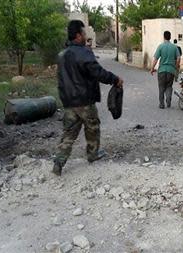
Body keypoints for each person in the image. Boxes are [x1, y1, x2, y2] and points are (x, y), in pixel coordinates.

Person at [53, 20, 124, 176]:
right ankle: (92, 154)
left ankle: (58, 162)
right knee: (92, 128)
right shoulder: (84, 53)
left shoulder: (62, 55)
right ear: (78, 35)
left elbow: (60, 80)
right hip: (84, 100)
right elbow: (97, 72)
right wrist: (115, 79)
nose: (85, 36)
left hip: (69, 101)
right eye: (84, 33)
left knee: (69, 132)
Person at [150, 31, 180, 109]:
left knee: (161, 87)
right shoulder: (174, 47)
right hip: (171, 71)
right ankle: (168, 99)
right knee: (169, 86)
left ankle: (162, 104)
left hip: (162, 71)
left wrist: (152, 68)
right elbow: (178, 58)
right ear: (170, 37)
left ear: (164, 37)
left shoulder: (160, 46)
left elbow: (156, 59)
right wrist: (176, 67)